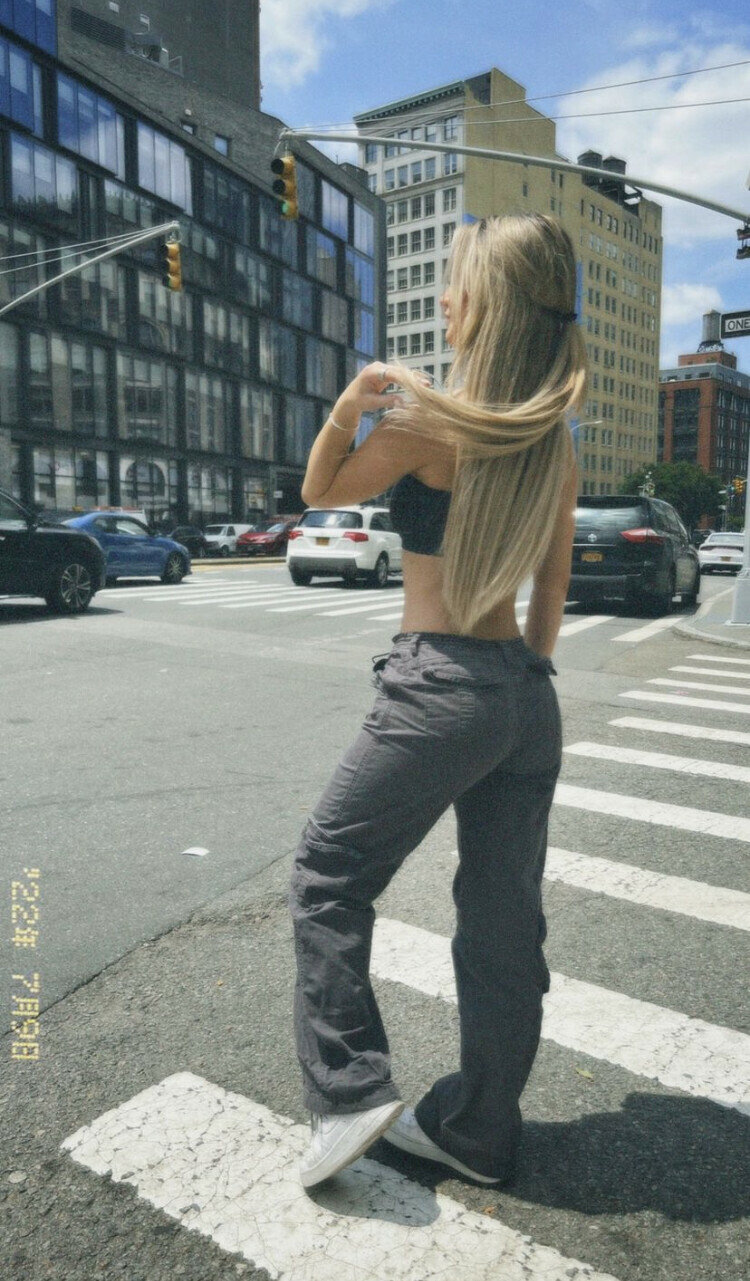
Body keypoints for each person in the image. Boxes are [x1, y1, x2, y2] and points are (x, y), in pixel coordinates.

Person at [290, 213, 587, 1189]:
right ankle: (483, 1131)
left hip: (440, 681)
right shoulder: (552, 442)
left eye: (459, 284)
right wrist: (517, 687)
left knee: (329, 873)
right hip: (524, 695)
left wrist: (349, 406)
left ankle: (349, 1089)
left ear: (488, 307)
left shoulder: (425, 422)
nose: (445, 299)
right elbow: (552, 591)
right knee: (503, 922)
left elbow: (319, 491)